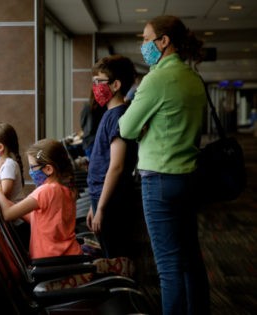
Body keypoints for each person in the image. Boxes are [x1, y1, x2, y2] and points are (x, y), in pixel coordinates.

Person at [118, 15, 210, 315]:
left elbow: (126, 128)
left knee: (168, 267)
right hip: (190, 178)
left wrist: (143, 125)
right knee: (191, 260)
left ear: (163, 41)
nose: (143, 45)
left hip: (159, 181)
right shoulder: (193, 78)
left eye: (146, 39)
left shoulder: (156, 79)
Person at [85, 54, 139, 260]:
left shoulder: (118, 115)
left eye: (99, 82)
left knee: (116, 258)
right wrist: (94, 204)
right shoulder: (110, 114)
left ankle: (122, 292)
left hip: (113, 201)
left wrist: (101, 207)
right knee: (110, 254)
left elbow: (116, 166)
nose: (95, 87)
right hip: (102, 196)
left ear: (116, 85)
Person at [0, 138, 83, 259]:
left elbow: (7, 214)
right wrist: (13, 205)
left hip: (53, 265)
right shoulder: (64, 189)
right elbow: (37, 219)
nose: (30, 172)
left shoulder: (45, 191)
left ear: (48, 169)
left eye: (33, 167)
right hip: (68, 258)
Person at [79, 90, 106, 160]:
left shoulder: (87, 107)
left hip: (89, 141)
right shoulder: (105, 107)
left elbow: (82, 123)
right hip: (101, 141)